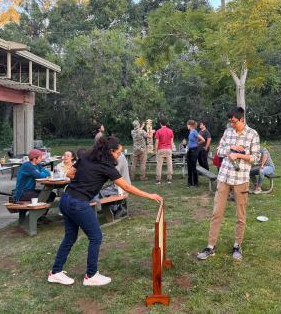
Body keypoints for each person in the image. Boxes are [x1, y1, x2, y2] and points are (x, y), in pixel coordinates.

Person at [48, 136, 162, 286]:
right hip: (79, 203)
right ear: (110, 151)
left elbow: (69, 173)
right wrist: (149, 195)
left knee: (70, 237)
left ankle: (55, 272)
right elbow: (127, 187)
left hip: (66, 199)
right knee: (96, 236)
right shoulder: (107, 167)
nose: (119, 155)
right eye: (118, 152)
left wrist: (85, 179)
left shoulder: (86, 156)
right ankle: (91, 275)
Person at [197, 107, 260, 261]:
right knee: (216, 213)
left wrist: (239, 154)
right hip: (224, 177)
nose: (232, 124)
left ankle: (237, 245)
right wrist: (231, 149)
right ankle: (210, 246)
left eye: (234, 122)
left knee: (240, 215)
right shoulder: (228, 132)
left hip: (241, 180)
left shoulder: (252, 134)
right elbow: (219, 151)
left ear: (242, 120)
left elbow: (257, 157)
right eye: (230, 121)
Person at [155, 117, 174, 185]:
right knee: (169, 164)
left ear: (160, 123)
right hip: (168, 149)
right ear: (166, 123)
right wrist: (171, 149)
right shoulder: (170, 131)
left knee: (159, 165)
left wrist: (156, 150)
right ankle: (169, 179)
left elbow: (157, 142)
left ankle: (158, 180)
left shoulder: (158, 131)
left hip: (161, 149)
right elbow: (172, 142)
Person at [186, 120, 205, 188]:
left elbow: (203, 140)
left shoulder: (194, 131)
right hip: (189, 150)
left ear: (190, 125)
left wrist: (197, 143)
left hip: (195, 150)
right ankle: (189, 183)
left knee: (193, 167)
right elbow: (191, 141)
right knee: (189, 167)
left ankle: (196, 183)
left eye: (187, 125)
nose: (187, 126)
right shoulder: (190, 132)